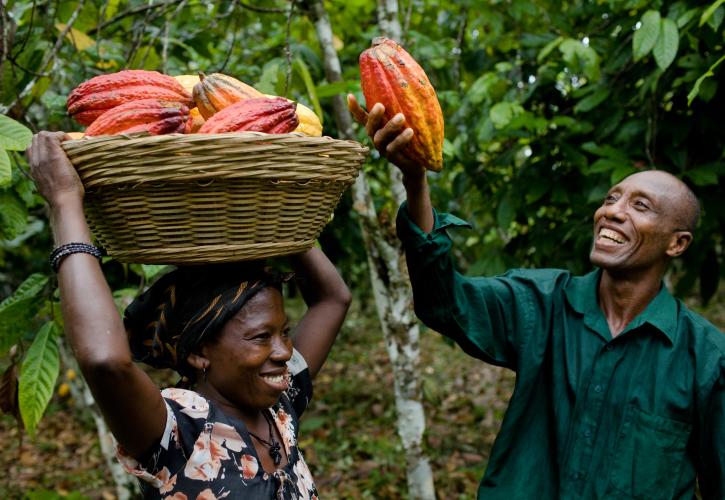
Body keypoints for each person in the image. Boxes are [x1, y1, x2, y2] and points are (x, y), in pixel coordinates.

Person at [348, 96, 725, 499]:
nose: (612, 212)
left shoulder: (705, 358)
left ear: (677, 243)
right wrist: (415, 179)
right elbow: (447, 301)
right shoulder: (542, 303)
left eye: (640, 206)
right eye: (611, 198)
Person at [27, 131, 352, 499]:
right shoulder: (180, 430)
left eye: (284, 332)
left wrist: (280, 207)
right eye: (261, 337)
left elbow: (332, 299)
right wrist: (65, 200)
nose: (283, 352)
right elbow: (105, 361)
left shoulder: (279, 406)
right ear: (198, 352)